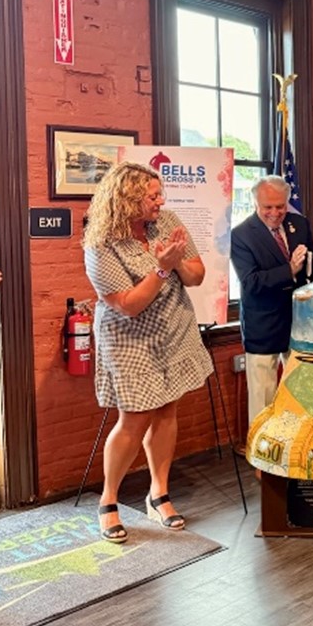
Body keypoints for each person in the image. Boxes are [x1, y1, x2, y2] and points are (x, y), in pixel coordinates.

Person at [83, 161, 213, 543]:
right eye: (152, 196)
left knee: (167, 408)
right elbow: (127, 305)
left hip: (173, 330)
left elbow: (197, 275)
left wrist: (177, 264)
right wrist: (160, 270)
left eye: (160, 194)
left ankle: (158, 493)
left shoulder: (167, 220)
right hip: (128, 338)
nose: (161, 201)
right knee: (135, 417)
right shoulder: (100, 244)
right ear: (127, 200)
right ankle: (108, 500)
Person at [230, 176, 313, 427]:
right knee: (263, 399)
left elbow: (310, 273)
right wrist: (289, 269)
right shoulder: (241, 235)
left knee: (301, 393)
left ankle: (296, 449)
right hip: (263, 326)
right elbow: (251, 283)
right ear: (255, 204)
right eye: (267, 207)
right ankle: (263, 460)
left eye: (280, 206)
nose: (275, 213)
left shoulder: (299, 224)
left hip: (299, 324)